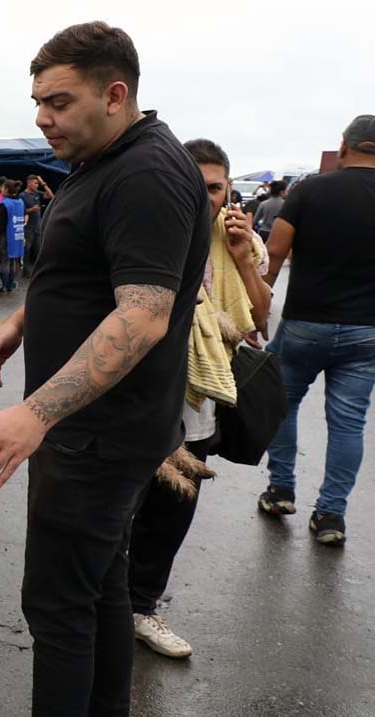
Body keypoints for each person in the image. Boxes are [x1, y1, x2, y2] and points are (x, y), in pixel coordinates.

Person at [0, 22, 210, 716]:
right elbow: (85, 277)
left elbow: (144, 315)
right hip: (97, 429)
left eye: (60, 101)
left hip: (98, 435)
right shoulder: (105, 160)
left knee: (59, 603)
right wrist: (17, 324)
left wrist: (36, 411)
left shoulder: (146, 173)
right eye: (39, 101)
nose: (43, 117)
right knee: (99, 589)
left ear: (115, 94)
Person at [128, 138, 271, 659]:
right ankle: (100, 609)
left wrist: (244, 259)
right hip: (136, 402)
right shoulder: (148, 228)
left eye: (214, 187)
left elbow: (259, 319)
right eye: (195, 183)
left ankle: (141, 607)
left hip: (197, 404)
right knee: (118, 509)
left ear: (228, 190)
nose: (204, 196)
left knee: (170, 513)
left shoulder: (238, 243)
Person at [258, 114, 375, 545]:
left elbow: (274, 253)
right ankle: (330, 516)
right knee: (348, 424)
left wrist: (256, 309)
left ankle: (280, 490)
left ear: (344, 147)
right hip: (367, 331)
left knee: (282, 404)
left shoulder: (309, 190)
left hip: (306, 324)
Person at [0, 179, 27, 290]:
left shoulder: (5, 204)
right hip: (17, 235)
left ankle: (4, 284)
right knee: (13, 260)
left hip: (6, 236)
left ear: (7, 189)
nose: (1, 190)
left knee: (4, 260)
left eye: (3, 188)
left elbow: (1, 224)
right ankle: (11, 283)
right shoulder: (20, 202)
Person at [22, 174, 55, 275]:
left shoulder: (37, 193)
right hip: (28, 227)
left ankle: (40, 270)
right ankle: (26, 270)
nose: (37, 185)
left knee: (39, 248)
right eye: (35, 183)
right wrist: (31, 210)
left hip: (37, 226)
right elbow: (21, 212)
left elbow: (51, 196)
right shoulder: (22, 196)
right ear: (29, 183)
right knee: (27, 249)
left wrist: (43, 183)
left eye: (37, 183)